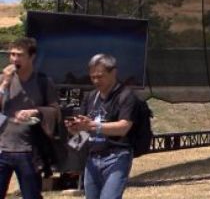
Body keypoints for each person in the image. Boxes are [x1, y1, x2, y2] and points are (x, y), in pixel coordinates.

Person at [65, 54, 137, 199]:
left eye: (100, 76)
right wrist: (74, 129)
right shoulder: (90, 97)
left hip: (117, 156)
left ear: (113, 72)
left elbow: (124, 127)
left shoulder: (125, 95)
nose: (96, 81)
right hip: (92, 157)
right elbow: (83, 131)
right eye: (92, 77)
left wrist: (93, 126)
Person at [0, 37, 58, 199]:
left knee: (31, 195)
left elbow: (55, 111)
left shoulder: (43, 82)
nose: (14, 59)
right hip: (2, 148)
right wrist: (4, 84)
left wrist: (35, 111)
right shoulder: (3, 80)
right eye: (12, 54)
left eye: (19, 55)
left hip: (29, 150)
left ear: (32, 57)